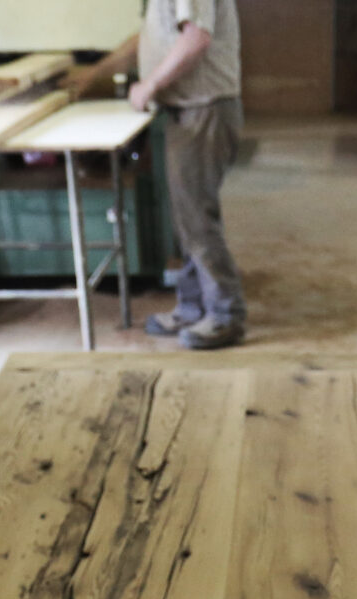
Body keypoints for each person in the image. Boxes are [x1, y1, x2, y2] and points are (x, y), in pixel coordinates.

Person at [74, 0, 245, 350]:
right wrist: (94, 74)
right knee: (185, 220)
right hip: (189, 108)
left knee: (197, 218)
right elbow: (149, 38)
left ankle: (226, 314)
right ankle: (193, 307)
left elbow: (196, 39)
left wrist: (149, 85)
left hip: (204, 108)